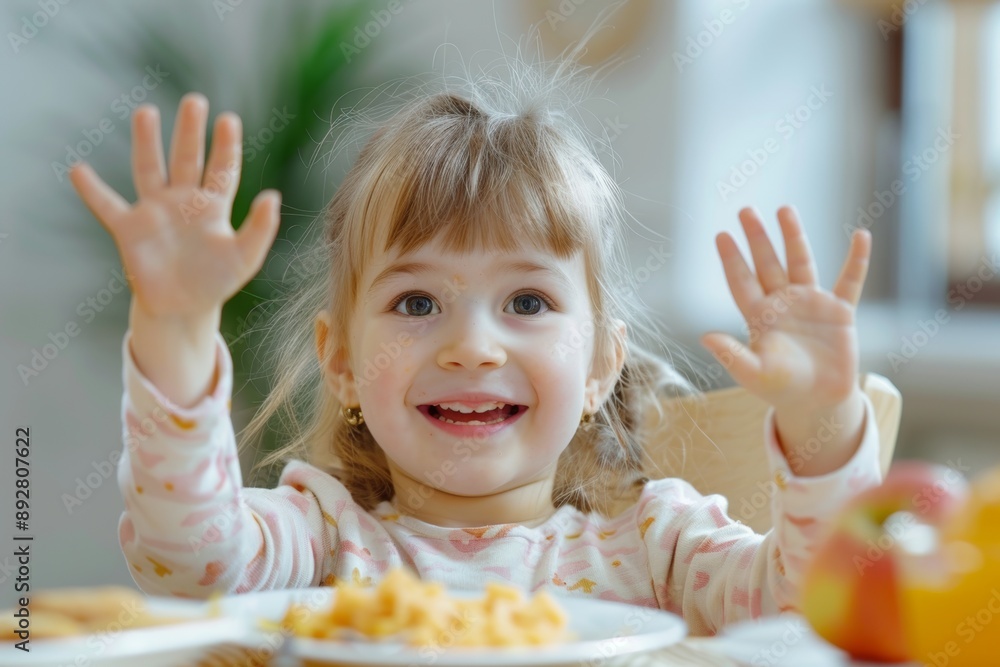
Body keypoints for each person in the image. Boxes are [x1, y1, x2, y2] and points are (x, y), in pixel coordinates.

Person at [68, 51, 879, 637]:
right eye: (417, 300)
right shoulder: (320, 537)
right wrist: (175, 329)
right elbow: (188, 561)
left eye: (527, 300)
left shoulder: (659, 546)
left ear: (600, 364)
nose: (472, 346)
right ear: (342, 362)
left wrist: (822, 421)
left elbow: (816, 609)